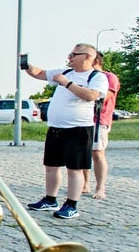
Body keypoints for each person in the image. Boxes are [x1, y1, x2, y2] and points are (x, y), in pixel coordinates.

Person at [24, 43, 108, 219]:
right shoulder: (65, 72)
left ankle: (72, 205)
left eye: (74, 54)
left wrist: (67, 83)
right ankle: (50, 199)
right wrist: (26, 64)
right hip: (56, 129)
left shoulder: (96, 77)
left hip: (78, 129)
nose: (69, 57)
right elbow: (39, 73)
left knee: (74, 168)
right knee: (51, 166)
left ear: (88, 57)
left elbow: (91, 96)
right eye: (70, 54)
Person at [83, 52, 119, 200]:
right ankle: (85, 184)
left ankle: (100, 188)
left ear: (94, 60)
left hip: (99, 119)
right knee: (83, 152)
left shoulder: (109, 77)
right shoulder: (83, 76)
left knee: (97, 152)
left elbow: (102, 97)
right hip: (82, 119)